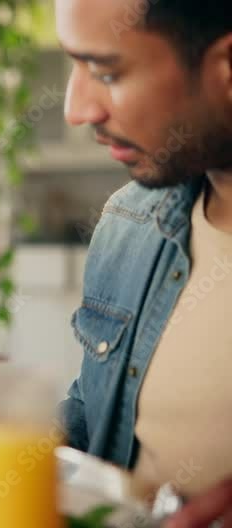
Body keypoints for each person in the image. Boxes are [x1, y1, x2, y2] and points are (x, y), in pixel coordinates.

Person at [55, 1, 232, 524]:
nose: (77, 108)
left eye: (106, 72)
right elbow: (90, 421)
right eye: (75, 65)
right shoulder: (128, 223)